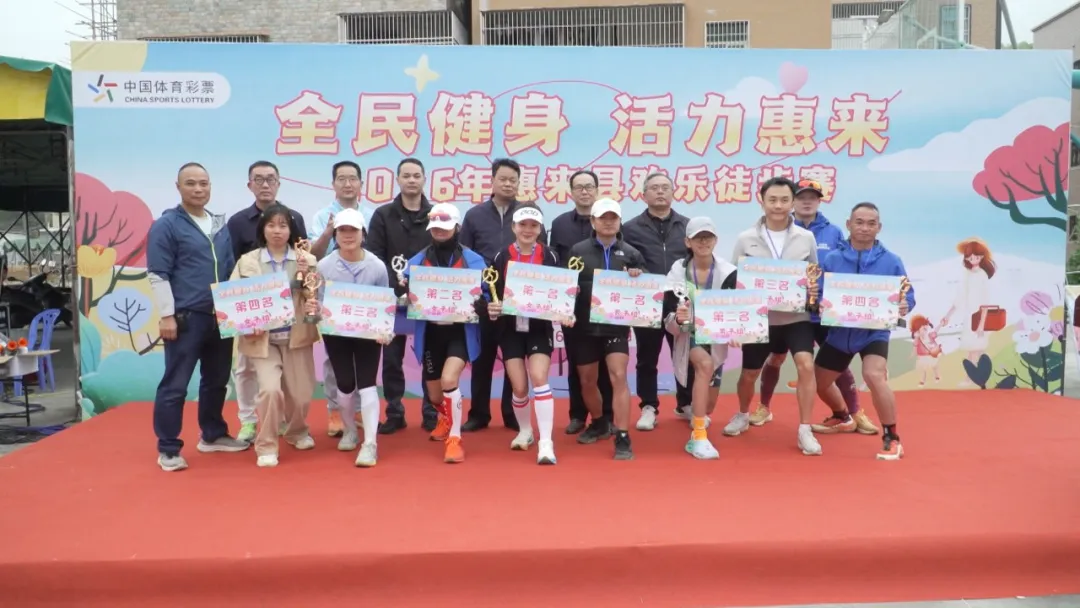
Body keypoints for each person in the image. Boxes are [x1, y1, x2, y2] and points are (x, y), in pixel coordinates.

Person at [752, 179, 876, 434]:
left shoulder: (834, 232)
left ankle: (854, 413)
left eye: (813, 197)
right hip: (788, 311)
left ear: (820, 201)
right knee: (775, 358)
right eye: (801, 197)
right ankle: (764, 407)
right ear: (792, 201)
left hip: (822, 313)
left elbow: (845, 266)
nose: (807, 202)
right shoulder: (780, 230)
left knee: (836, 363)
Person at [148, 162, 248, 472]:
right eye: (190, 183)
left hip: (220, 316)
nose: (198, 189)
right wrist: (167, 315)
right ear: (178, 187)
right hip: (186, 317)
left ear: (210, 187)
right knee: (175, 384)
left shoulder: (219, 226)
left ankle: (213, 434)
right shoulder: (167, 225)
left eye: (203, 183)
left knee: (217, 380)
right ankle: (168, 448)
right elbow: (158, 274)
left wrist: (238, 310)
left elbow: (231, 270)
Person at [722, 177, 822, 456]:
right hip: (759, 319)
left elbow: (813, 273)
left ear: (792, 202)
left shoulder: (806, 238)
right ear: (762, 201)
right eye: (773, 200)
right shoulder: (745, 238)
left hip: (796, 318)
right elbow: (734, 278)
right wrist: (736, 321)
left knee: (806, 365)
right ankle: (743, 413)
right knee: (749, 375)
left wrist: (813, 289)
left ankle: (805, 428)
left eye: (784, 200)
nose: (778, 205)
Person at [811, 202, 912, 460]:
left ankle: (892, 438)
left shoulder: (892, 261)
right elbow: (820, 293)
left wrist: (904, 305)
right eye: (859, 222)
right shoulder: (833, 259)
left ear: (879, 227)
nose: (865, 228)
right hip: (839, 334)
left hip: (873, 333)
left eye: (871, 223)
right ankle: (842, 416)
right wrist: (819, 301)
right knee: (818, 384)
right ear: (849, 224)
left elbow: (908, 296)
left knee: (874, 375)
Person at [229, 203, 319, 467]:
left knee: (301, 395)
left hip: (297, 337)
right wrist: (247, 323)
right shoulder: (247, 262)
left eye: (283, 225)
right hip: (262, 341)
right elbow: (233, 299)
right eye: (271, 225)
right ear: (262, 229)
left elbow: (315, 299)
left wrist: (308, 285)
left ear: (291, 230)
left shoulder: (307, 260)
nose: (277, 231)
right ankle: (266, 445)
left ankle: (296, 431)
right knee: (269, 390)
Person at [225, 160, 309, 443]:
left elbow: (309, 282)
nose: (265, 184)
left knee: (294, 385)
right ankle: (252, 424)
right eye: (258, 179)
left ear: (279, 183)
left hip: (291, 326)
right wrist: (244, 317)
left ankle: (289, 425)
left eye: (270, 179)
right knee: (251, 375)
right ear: (249, 184)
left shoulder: (298, 229)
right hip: (256, 324)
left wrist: (310, 303)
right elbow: (232, 275)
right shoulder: (238, 225)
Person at [459, 158, 545, 432]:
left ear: (519, 183)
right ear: (492, 180)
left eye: (513, 180)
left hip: (520, 300)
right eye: (503, 179)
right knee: (482, 358)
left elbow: (542, 255)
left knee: (513, 356)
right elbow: (463, 254)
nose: (508, 184)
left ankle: (511, 412)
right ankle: (479, 413)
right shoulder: (474, 215)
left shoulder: (528, 214)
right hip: (485, 297)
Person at [403, 203, 490, 463]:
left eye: (445, 226)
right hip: (430, 333)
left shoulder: (474, 260)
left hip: (459, 332)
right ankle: (444, 417)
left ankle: (455, 439)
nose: (440, 231)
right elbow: (405, 291)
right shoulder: (417, 261)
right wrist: (404, 291)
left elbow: (488, 292)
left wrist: (483, 303)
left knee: (449, 379)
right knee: (434, 395)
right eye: (436, 227)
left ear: (457, 227)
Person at [566, 198, 645, 460]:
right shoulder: (577, 251)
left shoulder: (632, 253)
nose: (608, 222)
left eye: (613, 217)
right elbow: (566, 285)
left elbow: (645, 291)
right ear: (593, 221)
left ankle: (622, 436)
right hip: (584, 328)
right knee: (587, 381)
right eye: (603, 217)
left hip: (616, 328)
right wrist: (571, 294)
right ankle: (600, 422)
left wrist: (638, 277)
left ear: (620, 221)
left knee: (618, 376)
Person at [365, 157, 439, 434]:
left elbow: (443, 253)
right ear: (398, 179)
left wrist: (421, 285)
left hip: (427, 299)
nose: (411, 180)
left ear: (424, 179)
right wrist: (396, 283)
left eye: (416, 175)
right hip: (391, 299)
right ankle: (395, 411)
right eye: (406, 175)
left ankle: (431, 411)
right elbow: (374, 255)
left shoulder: (436, 215)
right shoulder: (383, 215)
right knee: (391, 358)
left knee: (430, 356)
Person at [317, 208, 393, 467]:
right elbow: (318, 300)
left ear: (363, 234)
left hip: (368, 334)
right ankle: (350, 429)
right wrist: (316, 310)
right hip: (337, 333)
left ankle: (370, 444)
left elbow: (385, 301)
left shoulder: (377, 266)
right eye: (342, 230)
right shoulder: (324, 266)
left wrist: (384, 329)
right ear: (335, 235)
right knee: (345, 384)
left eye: (353, 230)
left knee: (367, 383)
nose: (348, 235)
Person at [485, 204, 559, 465]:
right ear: (514, 227)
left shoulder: (550, 255)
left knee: (539, 377)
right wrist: (491, 307)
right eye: (523, 225)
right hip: (510, 329)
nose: (528, 230)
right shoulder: (500, 256)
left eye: (533, 225)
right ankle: (525, 430)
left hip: (539, 328)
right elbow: (491, 292)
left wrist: (565, 309)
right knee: (518, 386)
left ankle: (546, 442)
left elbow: (560, 290)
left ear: (540, 229)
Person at [621, 172, 692, 431]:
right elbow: (623, 260)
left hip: (680, 302)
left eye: (665, 187)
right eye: (654, 188)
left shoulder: (687, 226)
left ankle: (686, 403)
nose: (660, 191)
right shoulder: (629, 228)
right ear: (644, 195)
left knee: (683, 355)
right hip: (646, 302)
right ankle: (649, 406)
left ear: (673, 192)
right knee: (646, 357)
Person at [663, 217, 737, 460]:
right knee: (704, 366)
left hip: (716, 338)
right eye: (698, 238)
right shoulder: (677, 272)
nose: (703, 242)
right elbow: (668, 315)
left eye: (708, 237)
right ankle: (698, 437)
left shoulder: (729, 272)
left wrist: (737, 332)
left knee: (708, 406)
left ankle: (695, 415)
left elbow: (738, 311)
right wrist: (679, 319)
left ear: (716, 240)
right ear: (688, 241)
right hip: (690, 335)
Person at [548, 169, 613, 434]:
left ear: (597, 190)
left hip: (606, 306)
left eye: (589, 186)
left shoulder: (611, 220)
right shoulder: (560, 224)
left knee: (606, 366)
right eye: (579, 187)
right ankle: (577, 414)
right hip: (572, 308)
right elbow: (555, 262)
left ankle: (607, 416)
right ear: (571, 192)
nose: (584, 191)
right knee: (577, 363)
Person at [308, 161, 365, 437]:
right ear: (333, 184)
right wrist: (328, 232)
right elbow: (313, 256)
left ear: (361, 183)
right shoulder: (322, 216)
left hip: (363, 294)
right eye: (341, 178)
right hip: (331, 293)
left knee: (362, 354)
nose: (347, 184)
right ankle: (334, 409)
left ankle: (356, 409)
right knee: (334, 357)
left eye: (352, 178)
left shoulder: (371, 214)